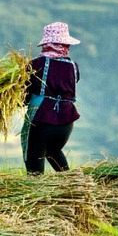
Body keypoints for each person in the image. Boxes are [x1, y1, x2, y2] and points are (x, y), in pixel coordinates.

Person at [21, 22, 81, 175]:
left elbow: (24, 91)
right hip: (66, 122)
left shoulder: (36, 64)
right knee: (53, 151)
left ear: (47, 44)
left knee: (34, 159)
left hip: (42, 119)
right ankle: (71, 182)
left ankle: (35, 187)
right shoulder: (73, 66)